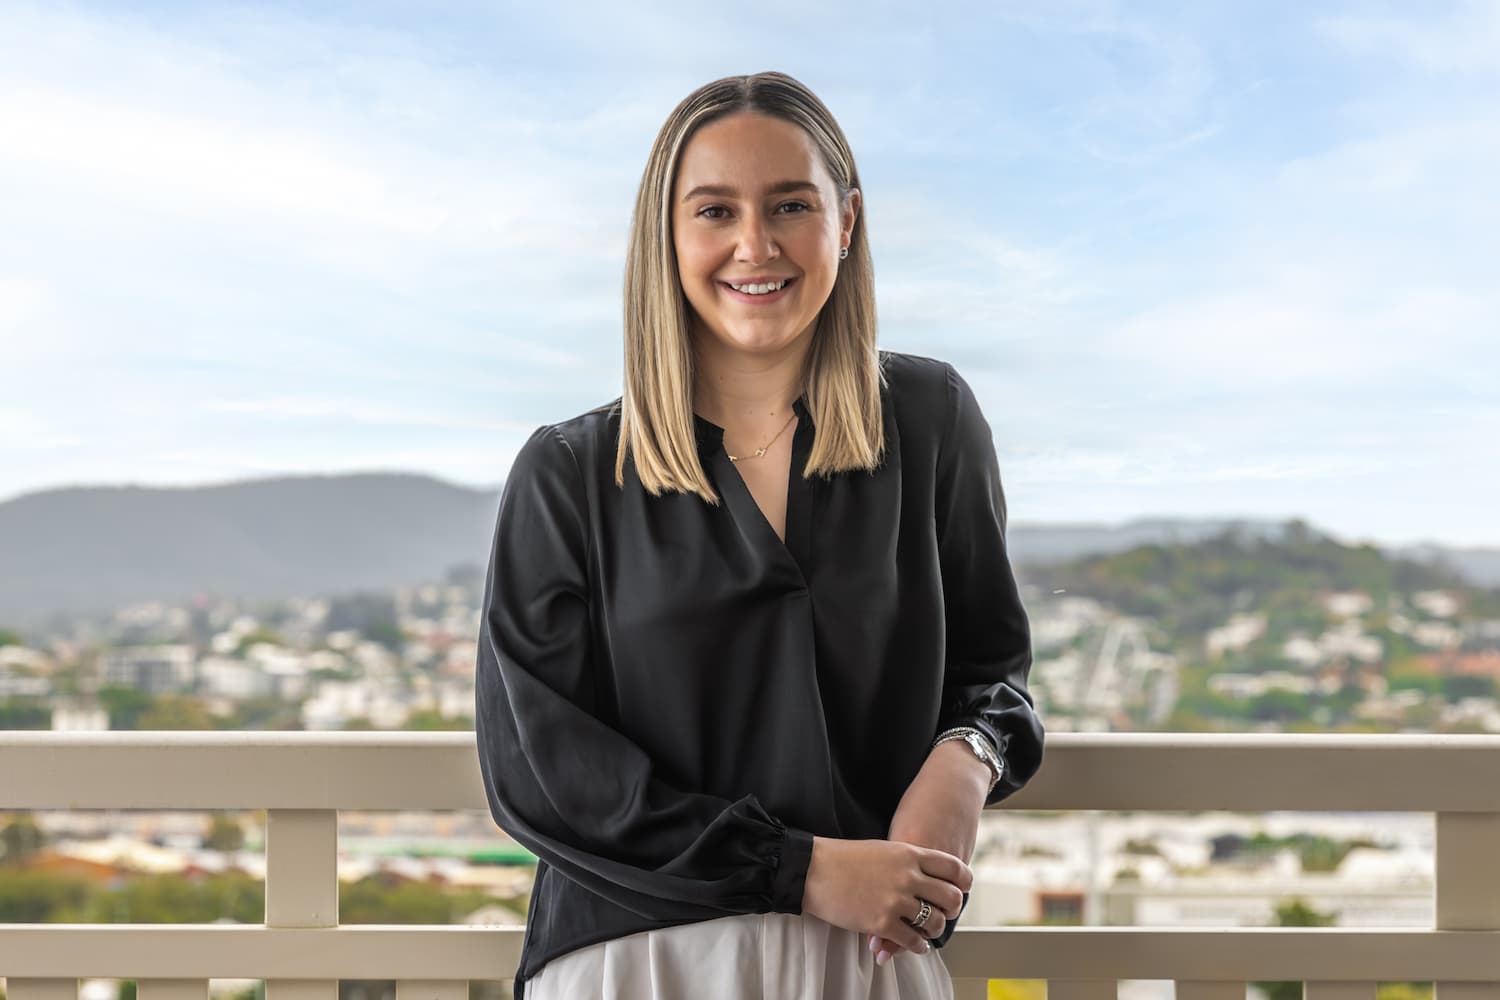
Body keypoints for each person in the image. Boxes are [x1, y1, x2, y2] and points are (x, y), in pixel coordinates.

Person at [474, 70, 1044, 1000]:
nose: (754, 244)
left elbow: (993, 672)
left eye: (790, 204)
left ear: (846, 222)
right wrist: (804, 869)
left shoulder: (932, 421)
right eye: (713, 211)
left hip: (868, 967)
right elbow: (541, 774)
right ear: (666, 234)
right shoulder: (567, 472)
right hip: (637, 967)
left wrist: (967, 759)